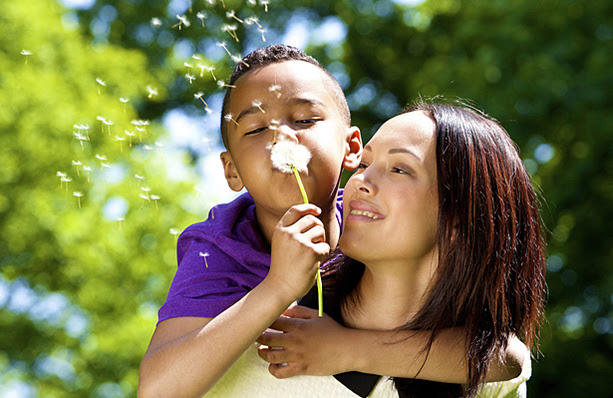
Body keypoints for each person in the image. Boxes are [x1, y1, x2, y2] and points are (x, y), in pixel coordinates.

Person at [138, 44, 525, 398]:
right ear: (231, 170)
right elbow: (158, 390)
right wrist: (279, 287)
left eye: (305, 120)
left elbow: (503, 356)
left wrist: (345, 350)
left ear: (350, 148)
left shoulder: (362, 218)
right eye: (256, 129)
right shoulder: (224, 244)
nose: (281, 138)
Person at [257, 101, 547, 397]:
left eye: (399, 169)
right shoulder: (271, 321)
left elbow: (505, 357)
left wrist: (346, 350)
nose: (360, 181)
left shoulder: (492, 383)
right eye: (364, 164)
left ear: (461, 218)